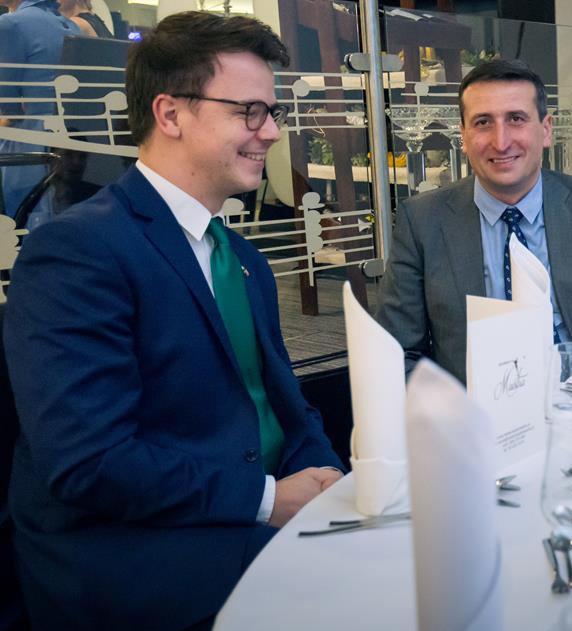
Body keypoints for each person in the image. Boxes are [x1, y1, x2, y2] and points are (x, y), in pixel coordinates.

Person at [3, 12, 343, 629]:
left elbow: (289, 411)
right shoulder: (78, 251)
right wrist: (268, 499)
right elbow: (91, 461)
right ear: (170, 114)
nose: (270, 132)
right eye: (250, 112)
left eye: (272, 113)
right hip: (131, 548)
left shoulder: (242, 259)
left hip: (233, 517)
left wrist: (330, 485)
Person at [375, 59, 572, 384]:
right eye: (482, 123)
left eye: (516, 119)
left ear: (545, 130)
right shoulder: (422, 221)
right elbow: (397, 354)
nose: (501, 141)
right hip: (472, 409)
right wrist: (451, 409)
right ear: (464, 136)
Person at [0, 0, 79, 224]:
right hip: (62, 151)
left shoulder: (10, 24)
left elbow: (8, 106)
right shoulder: (70, 25)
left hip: (23, 151)